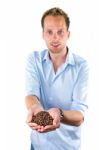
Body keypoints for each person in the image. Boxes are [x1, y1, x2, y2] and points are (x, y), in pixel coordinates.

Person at [25, 7, 89, 150]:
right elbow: (31, 94)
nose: (55, 37)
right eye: (49, 32)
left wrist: (59, 113)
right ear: (43, 34)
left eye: (60, 32)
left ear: (68, 34)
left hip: (68, 147)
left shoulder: (81, 66)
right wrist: (35, 107)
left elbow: (79, 115)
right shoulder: (34, 60)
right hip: (37, 145)